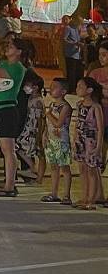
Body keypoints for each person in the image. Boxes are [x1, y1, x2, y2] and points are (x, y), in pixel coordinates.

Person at [0, 33, 31, 197]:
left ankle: (10, 185)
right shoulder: (5, 63)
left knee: (8, 150)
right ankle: (8, 183)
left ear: (19, 52)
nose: (8, 47)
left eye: (11, 46)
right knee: (6, 149)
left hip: (6, 110)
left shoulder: (18, 68)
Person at [73, 77, 104, 210]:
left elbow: (100, 129)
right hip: (80, 140)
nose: (77, 89)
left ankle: (91, 200)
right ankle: (84, 196)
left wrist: (98, 147)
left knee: (92, 170)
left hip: (91, 141)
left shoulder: (96, 107)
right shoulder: (79, 105)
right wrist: (74, 138)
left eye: (81, 86)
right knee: (82, 169)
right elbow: (77, 124)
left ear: (89, 90)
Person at [40, 77, 73, 204]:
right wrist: (44, 134)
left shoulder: (65, 107)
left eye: (55, 87)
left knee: (64, 168)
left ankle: (66, 195)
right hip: (52, 140)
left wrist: (48, 114)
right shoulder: (53, 105)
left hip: (61, 140)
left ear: (63, 91)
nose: (51, 89)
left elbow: (58, 124)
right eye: (51, 86)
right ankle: (54, 193)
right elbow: (48, 124)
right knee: (53, 167)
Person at [15, 73, 45, 182]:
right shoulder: (31, 98)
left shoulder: (38, 101)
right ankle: (32, 167)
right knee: (18, 146)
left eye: (28, 85)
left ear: (35, 87)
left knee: (37, 152)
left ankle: (34, 170)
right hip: (27, 128)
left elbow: (40, 119)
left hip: (33, 130)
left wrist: (39, 134)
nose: (25, 87)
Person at [62, 15, 84, 87]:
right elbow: (64, 39)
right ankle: (70, 87)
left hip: (76, 53)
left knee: (75, 71)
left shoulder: (76, 29)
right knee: (71, 71)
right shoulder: (68, 28)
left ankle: (74, 87)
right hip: (70, 53)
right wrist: (74, 43)